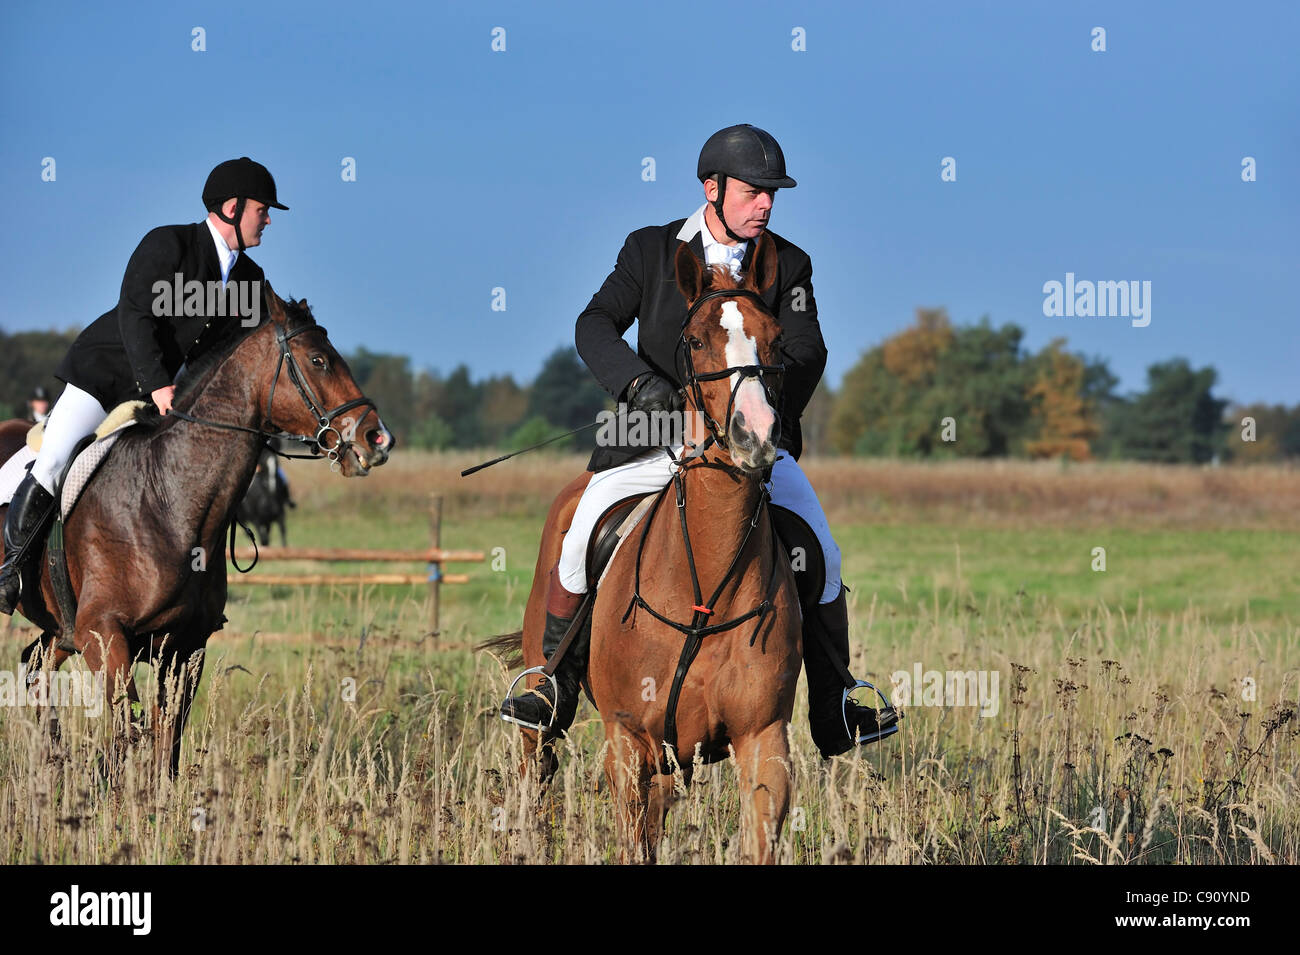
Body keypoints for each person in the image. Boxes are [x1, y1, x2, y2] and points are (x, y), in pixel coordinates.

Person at [501, 124, 898, 758]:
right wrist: (644, 391)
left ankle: (836, 702)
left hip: (753, 446)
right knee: (581, 534)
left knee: (822, 551)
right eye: (752, 191)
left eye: (772, 193)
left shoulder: (789, 265)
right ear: (710, 189)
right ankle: (551, 682)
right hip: (654, 433)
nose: (765, 204)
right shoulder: (651, 252)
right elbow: (594, 324)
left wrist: (758, 416)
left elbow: (806, 348)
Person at [0, 157, 288, 615]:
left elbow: (236, 361)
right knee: (54, 458)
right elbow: (136, 316)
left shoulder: (250, 280)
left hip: (169, 398)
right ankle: (11, 570)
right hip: (107, 376)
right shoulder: (168, 244)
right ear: (232, 208)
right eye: (262, 209)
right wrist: (157, 385)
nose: (268, 219)